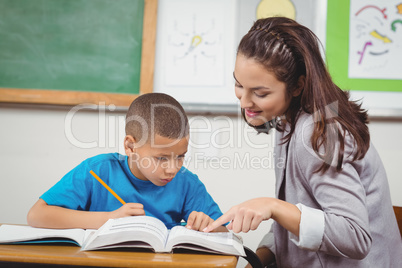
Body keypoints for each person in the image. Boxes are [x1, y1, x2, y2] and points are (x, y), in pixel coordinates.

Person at [204, 17, 402, 267]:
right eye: (238, 84)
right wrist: (256, 261)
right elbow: (297, 216)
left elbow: (355, 236)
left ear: (297, 86)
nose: (244, 102)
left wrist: (272, 206)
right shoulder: (288, 121)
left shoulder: (320, 133)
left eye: (260, 93)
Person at [27, 93, 227, 232]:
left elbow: (223, 231)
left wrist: (209, 225)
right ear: (131, 147)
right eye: (161, 158)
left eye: (180, 156)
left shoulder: (186, 183)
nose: (173, 168)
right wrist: (108, 219)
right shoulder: (98, 171)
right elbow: (37, 215)